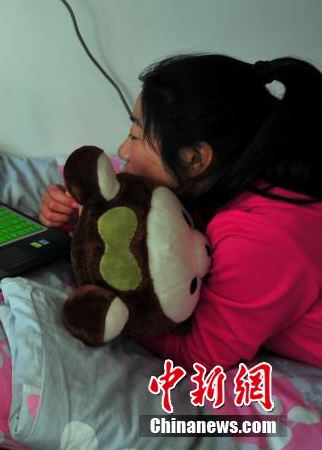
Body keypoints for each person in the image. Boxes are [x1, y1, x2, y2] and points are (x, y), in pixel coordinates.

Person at [38, 54, 322, 369]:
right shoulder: (229, 186)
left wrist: (128, 311)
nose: (122, 151)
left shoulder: (261, 238)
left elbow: (201, 354)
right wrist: (85, 218)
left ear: (195, 159)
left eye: (136, 136)